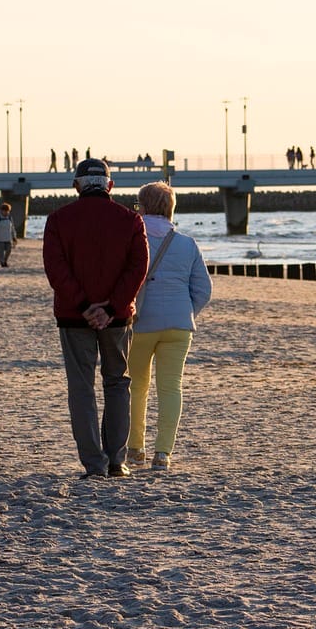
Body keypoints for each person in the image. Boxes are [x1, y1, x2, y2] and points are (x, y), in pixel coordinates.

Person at [43, 158, 149, 479]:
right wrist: (111, 307)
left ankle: (94, 464)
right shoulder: (131, 220)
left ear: (76, 186)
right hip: (116, 318)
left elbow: (56, 269)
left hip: (74, 316)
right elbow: (138, 268)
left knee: (82, 387)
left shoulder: (58, 220)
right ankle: (116, 461)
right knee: (117, 382)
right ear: (110, 186)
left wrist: (85, 305)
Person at [124, 182, 213, 472]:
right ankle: (163, 453)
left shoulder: (132, 239)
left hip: (140, 323)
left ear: (143, 207)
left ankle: (135, 449)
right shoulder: (187, 244)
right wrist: (186, 312)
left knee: (136, 386)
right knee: (171, 387)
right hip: (178, 326)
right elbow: (203, 290)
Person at [0, 202, 16, 267]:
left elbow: (12, 228)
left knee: (9, 250)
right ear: (1, 210)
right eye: (5, 211)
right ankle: (2, 263)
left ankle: (5, 261)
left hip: (8, 238)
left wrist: (14, 236)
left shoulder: (9, 218)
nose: (6, 212)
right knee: (1, 253)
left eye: (7, 211)